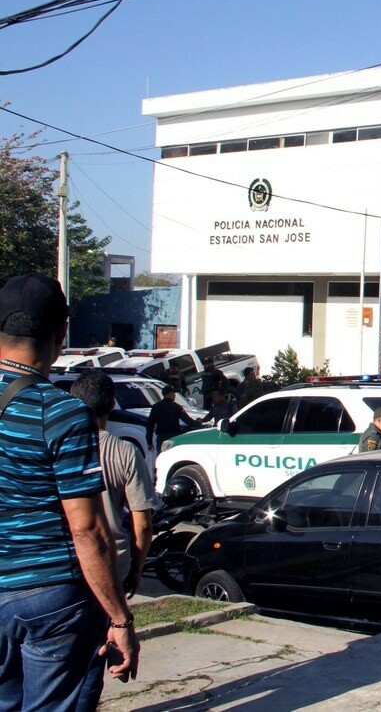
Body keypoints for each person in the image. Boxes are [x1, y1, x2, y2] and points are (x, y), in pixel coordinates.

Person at [0, 273, 139, 707]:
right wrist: (119, 618)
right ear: (62, 333)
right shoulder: (62, 412)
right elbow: (88, 530)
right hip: (51, 596)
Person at [70, 370, 155, 596]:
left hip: (69, 562)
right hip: (113, 564)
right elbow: (143, 525)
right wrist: (137, 569)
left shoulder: (60, 450)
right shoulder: (126, 452)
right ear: (111, 405)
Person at [146, 385, 195, 455]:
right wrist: (198, 423)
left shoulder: (156, 407)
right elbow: (188, 421)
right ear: (170, 394)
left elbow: (150, 425)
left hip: (161, 438)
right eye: (174, 393)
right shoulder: (176, 407)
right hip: (174, 437)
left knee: (162, 457)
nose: (175, 395)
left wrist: (149, 442)